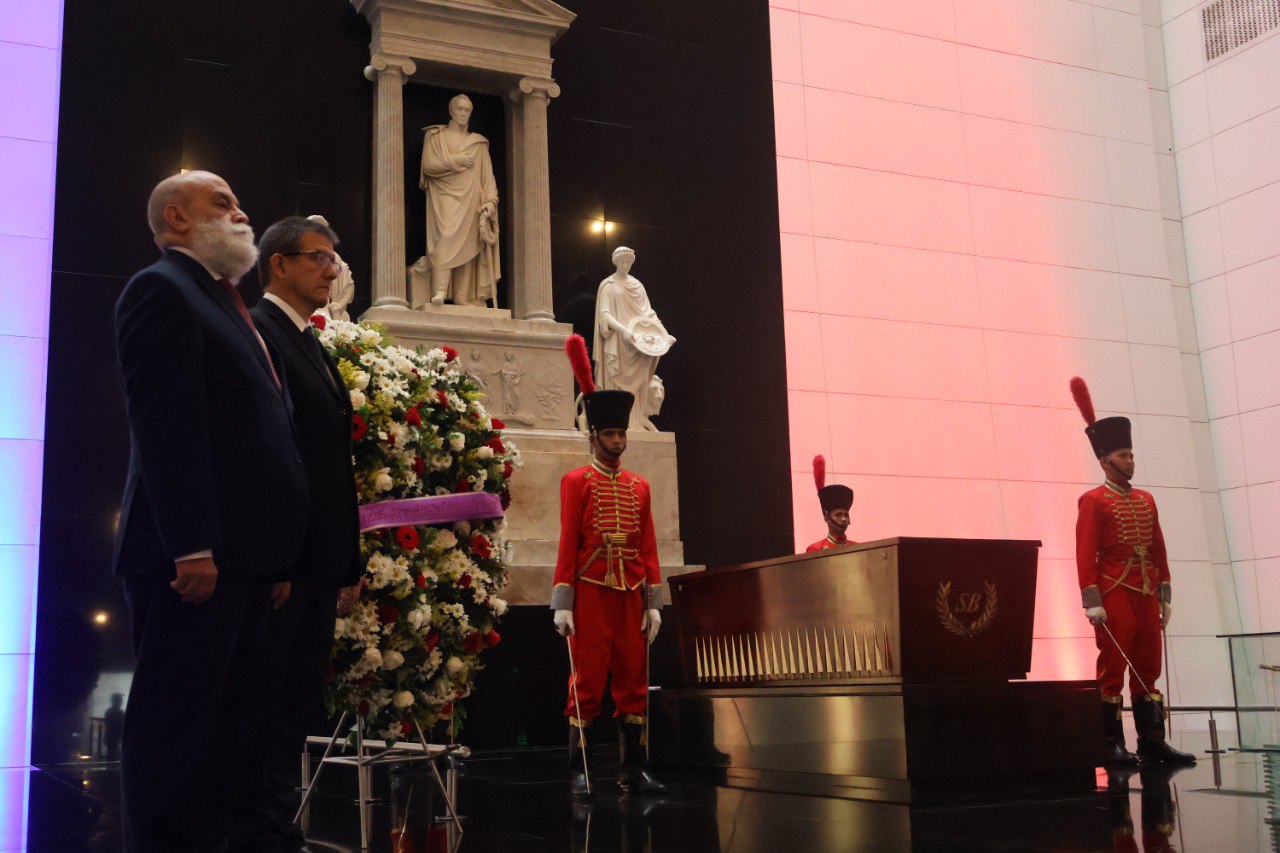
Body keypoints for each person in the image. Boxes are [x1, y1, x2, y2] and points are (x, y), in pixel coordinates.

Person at [113, 171, 310, 852]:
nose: (241, 211)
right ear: (177, 218)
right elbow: (167, 426)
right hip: (194, 558)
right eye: (221, 204)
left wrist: (277, 558)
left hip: (247, 559)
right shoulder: (160, 290)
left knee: (230, 726)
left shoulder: (224, 299)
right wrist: (191, 543)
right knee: (175, 724)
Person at [227, 216, 365, 851]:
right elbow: (268, 456)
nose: (331, 270)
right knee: (264, 705)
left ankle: (276, 825)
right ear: (277, 264)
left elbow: (333, 460)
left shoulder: (307, 339)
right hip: (286, 564)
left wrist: (347, 562)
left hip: (317, 563)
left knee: (295, 705)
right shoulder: (259, 332)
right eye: (318, 258)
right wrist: (279, 556)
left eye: (333, 260)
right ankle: (255, 829)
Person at [552, 335, 665, 798]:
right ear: (594, 435)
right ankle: (581, 769)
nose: (617, 442)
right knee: (589, 678)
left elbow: (650, 545)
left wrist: (654, 602)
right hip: (593, 588)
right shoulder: (576, 481)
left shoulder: (639, 486)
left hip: (630, 590)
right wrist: (563, 601)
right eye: (610, 434)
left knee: (634, 680)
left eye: (621, 434)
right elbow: (566, 542)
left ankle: (632, 769)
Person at [1070, 377, 1195, 767]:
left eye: (1132, 455)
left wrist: (1164, 593)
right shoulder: (1092, 501)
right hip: (1113, 591)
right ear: (1105, 460)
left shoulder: (1146, 499)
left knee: (1148, 667)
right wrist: (1092, 601)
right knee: (1112, 669)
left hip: (1144, 590)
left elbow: (1158, 548)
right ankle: (1111, 743)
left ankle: (1152, 740)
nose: (1131, 462)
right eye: (1123, 456)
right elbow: (1084, 554)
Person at [418, 93, 500, 306]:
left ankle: (462, 297)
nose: (463, 113)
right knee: (444, 239)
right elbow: (428, 166)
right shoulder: (436, 136)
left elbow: (488, 177)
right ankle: (440, 291)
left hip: (472, 200)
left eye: (467, 110)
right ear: (451, 111)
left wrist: (491, 202)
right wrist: (456, 161)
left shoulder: (479, 144)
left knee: (469, 246)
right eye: (460, 109)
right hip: (444, 199)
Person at [805, 455, 855, 552]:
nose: (844, 519)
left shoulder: (857, 547)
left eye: (846, 515)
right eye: (838, 515)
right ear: (827, 519)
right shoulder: (815, 549)